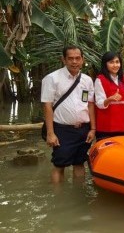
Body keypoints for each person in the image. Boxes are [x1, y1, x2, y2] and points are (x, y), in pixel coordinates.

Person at [41, 45, 96, 183]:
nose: (74, 62)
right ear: (63, 60)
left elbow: (89, 104)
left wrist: (93, 129)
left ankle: (78, 197)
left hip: (83, 129)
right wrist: (50, 133)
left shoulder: (87, 80)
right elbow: (47, 105)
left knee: (79, 163)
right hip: (62, 130)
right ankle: (58, 200)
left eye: (77, 58)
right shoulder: (52, 78)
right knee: (59, 165)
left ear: (83, 60)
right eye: (70, 58)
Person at [94, 51, 124, 140]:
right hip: (106, 127)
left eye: (117, 62)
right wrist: (109, 99)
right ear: (105, 64)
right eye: (111, 62)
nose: (115, 65)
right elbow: (99, 103)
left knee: (123, 153)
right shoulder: (100, 79)